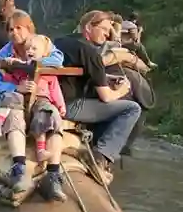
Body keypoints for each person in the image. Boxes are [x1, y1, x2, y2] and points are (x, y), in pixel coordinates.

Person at [53, 10, 141, 181]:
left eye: (109, 31)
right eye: (104, 29)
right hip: (70, 105)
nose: (108, 35)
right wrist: (122, 91)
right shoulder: (90, 51)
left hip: (52, 98)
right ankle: (101, 156)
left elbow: (76, 71)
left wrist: (105, 77)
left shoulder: (61, 41)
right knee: (131, 109)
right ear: (88, 27)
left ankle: (94, 146)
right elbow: (106, 96)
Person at [0, 34, 67, 199]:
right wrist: (8, 72)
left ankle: (53, 174)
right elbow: (8, 77)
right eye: (28, 49)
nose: (30, 51)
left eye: (34, 49)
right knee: (13, 116)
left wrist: (61, 106)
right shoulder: (19, 66)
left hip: (41, 102)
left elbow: (55, 89)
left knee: (50, 115)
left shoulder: (49, 69)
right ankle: (19, 166)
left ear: (45, 53)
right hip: (20, 101)